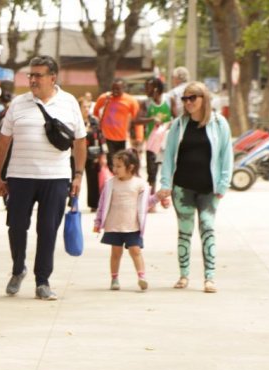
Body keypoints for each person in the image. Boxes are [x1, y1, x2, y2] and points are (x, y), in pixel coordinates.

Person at [0, 55, 87, 301]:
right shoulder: (19, 103)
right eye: (30, 75)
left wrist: (78, 175)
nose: (32, 79)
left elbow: (80, 140)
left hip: (56, 178)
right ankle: (18, 268)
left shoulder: (69, 102)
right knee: (16, 226)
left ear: (53, 78)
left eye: (38, 75)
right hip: (20, 177)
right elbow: (3, 141)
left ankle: (42, 281)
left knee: (48, 229)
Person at [157, 81, 232, 293]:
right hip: (183, 188)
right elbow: (168, 156)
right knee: (185, 231)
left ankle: (210, 278)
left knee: (207, 228)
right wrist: (165, 184)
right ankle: (184, 275)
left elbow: (226, 155)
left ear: (204, 99)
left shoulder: (219, 123)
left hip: (209, 189)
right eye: (185, 98)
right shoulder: (178, 125)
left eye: (192, 98)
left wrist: (223, 184)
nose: (188, 102)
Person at [93, 149, 168, 291]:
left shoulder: (140, 184)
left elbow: (147, 203)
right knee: (116, 253)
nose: (114, 169)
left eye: (118, 166)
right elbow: (102, 205)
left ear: (131, 167)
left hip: (133, 226)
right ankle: (114, 278)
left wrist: (158, 197)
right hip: (114, 226)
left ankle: (142, 277)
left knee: (135, 251)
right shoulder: (110, 184)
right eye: (114, 165)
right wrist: (98, 222)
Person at [134, 78, 172, 201]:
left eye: (147, 87)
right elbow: (137, 120)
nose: (145, 90)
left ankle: (169, 197)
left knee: (170, 171)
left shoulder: (169, 100)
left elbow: (177, 118)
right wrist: (151, 119)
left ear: (156, 88)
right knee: (152, 172)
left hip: (168, 142)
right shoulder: (146, 103)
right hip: (152, 143)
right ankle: (151, 200)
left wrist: (169, 124)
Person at [93, 78, 139, 172]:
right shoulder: (105, 98)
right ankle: (112, 182)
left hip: (122, 138)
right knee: (111, 162)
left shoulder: (131, 101)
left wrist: (139, 137)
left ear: (124, 88)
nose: (115, 91)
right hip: (107, 137)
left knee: (122, 162)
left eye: (118, 89)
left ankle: (119, 182)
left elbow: (137, 120)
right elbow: (95, 111)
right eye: (113, 89)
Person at [81, 97, 104, 211]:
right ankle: (72, 202)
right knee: (73, 179)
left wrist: (102, 154)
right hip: (77, 153)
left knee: (93, 179)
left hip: (92, 153)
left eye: (88, 107)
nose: (86, 109)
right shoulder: (76, 120)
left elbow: (100, 137)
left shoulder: (94, 120)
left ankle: (94, 204)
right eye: (84, 107)